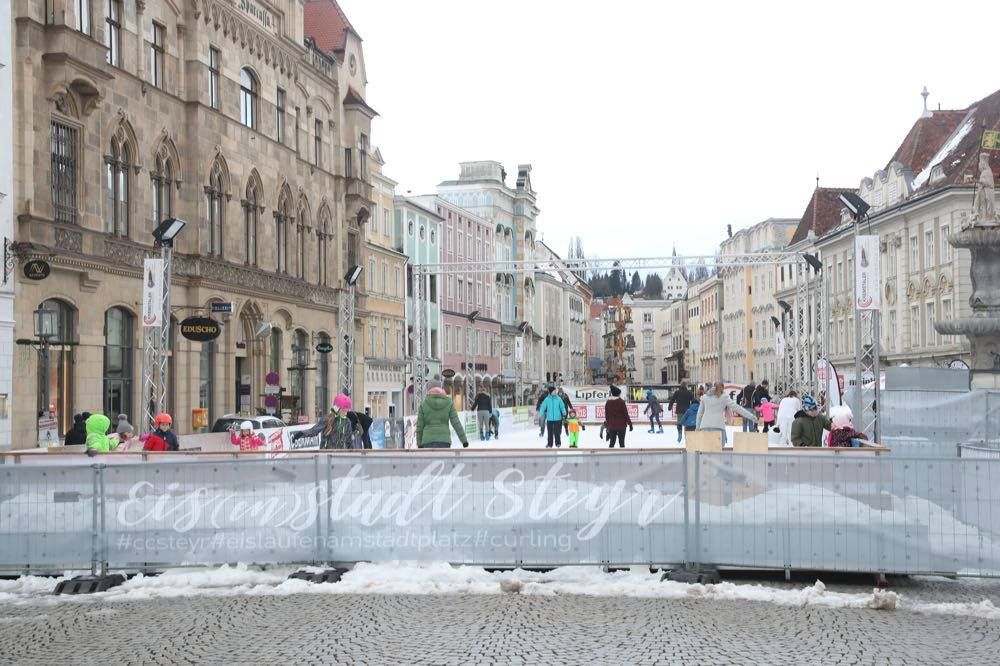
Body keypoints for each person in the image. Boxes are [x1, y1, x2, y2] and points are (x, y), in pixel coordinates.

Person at [414, 382, 469, 449]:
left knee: (429, 459)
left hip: (428, 440)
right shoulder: (449, 403)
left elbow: (420, 426)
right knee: (444, 460)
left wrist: (419, 443)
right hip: (444, 440)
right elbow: (456, 423)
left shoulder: (424, 404)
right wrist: (464, 440)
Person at [293, 394, 359, 449]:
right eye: (344, 410)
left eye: (347, 411)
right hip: (326, 454)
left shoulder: (347, 422)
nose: (346, 413)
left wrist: (351, 455)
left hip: (339, 454)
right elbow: (314, 431)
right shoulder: (327, 419)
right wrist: (301, 434)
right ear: (337, 409)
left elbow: (349, 441)